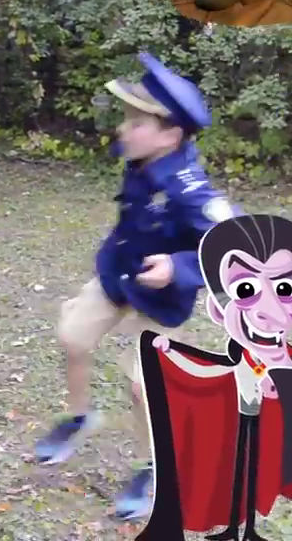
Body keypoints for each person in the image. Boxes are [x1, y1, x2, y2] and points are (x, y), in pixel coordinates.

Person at [33, 51, 238, 520]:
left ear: (171, 136)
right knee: (72, 336)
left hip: (162, 298)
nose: (124, 129)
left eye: (137, 122)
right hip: (119, 275)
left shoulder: (190, 189)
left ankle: (155, 467)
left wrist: (179, 267)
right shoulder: (142, 159)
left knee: (143, 385)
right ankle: (80, 418)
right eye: (126, 118)